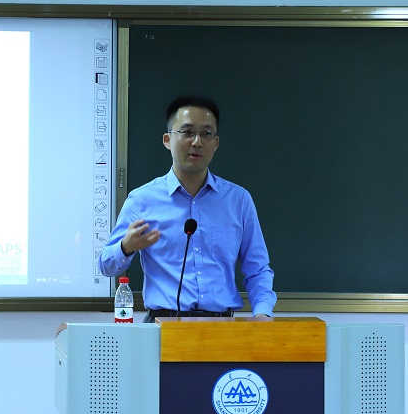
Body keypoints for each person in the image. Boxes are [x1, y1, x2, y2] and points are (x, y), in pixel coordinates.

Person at [98, 95, 275, 321]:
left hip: (222, 327)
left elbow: (258, 269)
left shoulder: (238, 200)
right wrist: (125, 246)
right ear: (167, 140)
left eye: (206, 133)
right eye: (187, 132)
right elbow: (106, 265)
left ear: (216, 143)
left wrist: (262, 313)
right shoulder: (142, 200)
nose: (197, 142)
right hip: (163, 326)